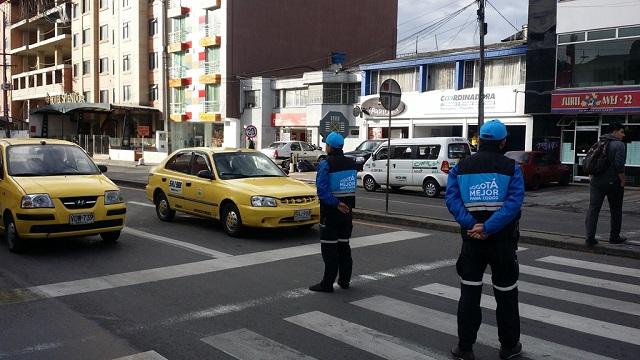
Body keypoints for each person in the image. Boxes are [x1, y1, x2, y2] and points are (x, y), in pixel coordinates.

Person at [445, 119, 525, 360]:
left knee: (469, 296)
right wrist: (489, 227)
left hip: (472, 243)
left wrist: (473, 225)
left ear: (479, 140)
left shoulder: (460, 168)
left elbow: (452, 200)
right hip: (503, 243)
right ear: (503, 142)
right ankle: (509, 347)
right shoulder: (513, 168)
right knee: (507, 295)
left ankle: (465, 348)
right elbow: (514, 204)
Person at [309, 132, 357, 293]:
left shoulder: (326, 164)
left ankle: (327, 284)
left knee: (329, 250)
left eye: (326, 144)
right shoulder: (352, 163)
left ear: (329, 146)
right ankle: (344, 281)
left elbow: (322, 191)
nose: (325, 146)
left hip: (331, 213)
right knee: (344, 248)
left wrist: (336, 204)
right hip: (347, 213)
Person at [585, 122, 627, 246]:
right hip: (613, 182)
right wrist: (623, 180)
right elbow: (619, 165)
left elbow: (590, 160)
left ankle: (590, 238)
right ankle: (614, 237)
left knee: (593, 209)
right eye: (621, 131)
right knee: (616, 209)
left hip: (596, 181)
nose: (623, 135)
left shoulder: (599, 142)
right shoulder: (619, 145)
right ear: (615, 132)